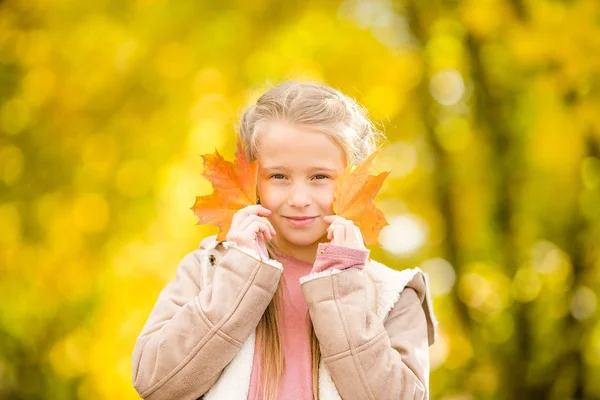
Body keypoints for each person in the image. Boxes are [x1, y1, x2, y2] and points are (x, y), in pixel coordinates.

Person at [131, 81, 438, 400]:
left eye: (320, 177)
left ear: (353, 180)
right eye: (278, 176)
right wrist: (238, 276)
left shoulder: (392, 295)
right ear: (253, 181)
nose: (299, 198)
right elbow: (156, 384)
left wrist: (341, 289)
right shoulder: (207, 270)